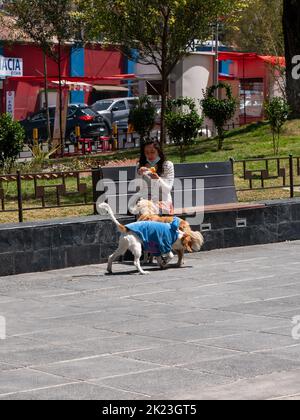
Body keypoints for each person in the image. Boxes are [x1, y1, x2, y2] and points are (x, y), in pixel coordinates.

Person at [136, 139, 175, 216]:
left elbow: (167, 190)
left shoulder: (167, 165)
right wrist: (139, 175)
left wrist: (158, 179)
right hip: (146, 200)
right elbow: (138, 189)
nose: (149, 155)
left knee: (153, 213)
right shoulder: (140, 166)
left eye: (152, 152)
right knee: (144, 210)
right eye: (146, 153)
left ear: (158, 152)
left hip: (163, 200)